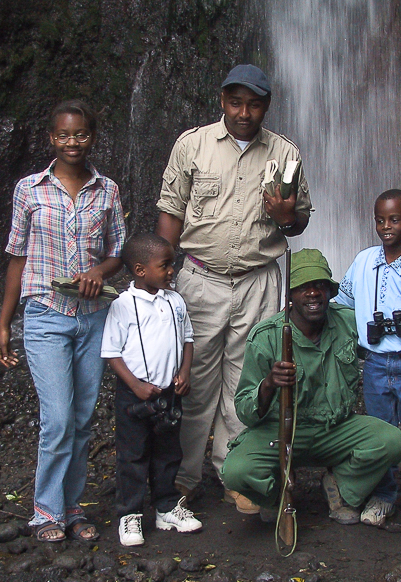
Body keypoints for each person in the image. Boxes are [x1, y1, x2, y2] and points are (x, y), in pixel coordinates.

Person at [155, 64, 312, 512]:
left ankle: (233, 474)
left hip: (258, 280)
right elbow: (171, 212)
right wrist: (160, 281)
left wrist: (286, 215)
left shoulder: (285, 153)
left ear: (267, 105)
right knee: (192, 380)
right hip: (199, 278)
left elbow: (298, 222)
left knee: (245, 380)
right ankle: (184, 477)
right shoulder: (192, 145)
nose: (244, 113)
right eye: (236, 102)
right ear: (222, 100)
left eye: (254, 104)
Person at [0, 100, 126, 542]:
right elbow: (17, 257)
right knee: (58, 418)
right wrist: (4, 324)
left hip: (93, 318)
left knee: (83, 419)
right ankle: (45, 512)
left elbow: (118, 253)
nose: (73, 142)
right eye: (64, 135)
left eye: (81, 134)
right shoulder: (29, 189)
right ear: (51, 138)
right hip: (46, 315)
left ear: (93, 137)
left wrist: (99, 272)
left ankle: (72, 508)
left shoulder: (107, 190)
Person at [221, 248, 401, 524]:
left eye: (320, 285)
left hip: (335, 429)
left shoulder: (348, 321)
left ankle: (341, 486)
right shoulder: (265, 336)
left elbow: (389, 335)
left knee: (392, 441)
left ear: (330, 292)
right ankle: (277, 494)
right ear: (290, 295)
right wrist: (269, 384)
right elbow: (245, 410)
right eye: (303, 287)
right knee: (236, 471)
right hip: (281, 431)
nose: (313, 293)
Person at [335, 189, 401, 529]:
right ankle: (383, 496)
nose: (386, 226)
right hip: (375, 364)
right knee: (379, 435)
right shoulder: (363, 261)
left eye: (394, 220)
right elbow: (342, 304)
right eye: (380, 220)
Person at [101, 233, 202, 547]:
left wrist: (184, 372)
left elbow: (187, 339)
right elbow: (111, 352)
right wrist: (135, 385)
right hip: (135, 396)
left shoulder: (175, 300)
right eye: (165, 265)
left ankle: (166, 507)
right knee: (133, 455)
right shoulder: (122, 305)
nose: (172, 271)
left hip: (169, 393)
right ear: (140, 270)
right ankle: (130, 514)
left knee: (168, 452)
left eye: (172, 264)